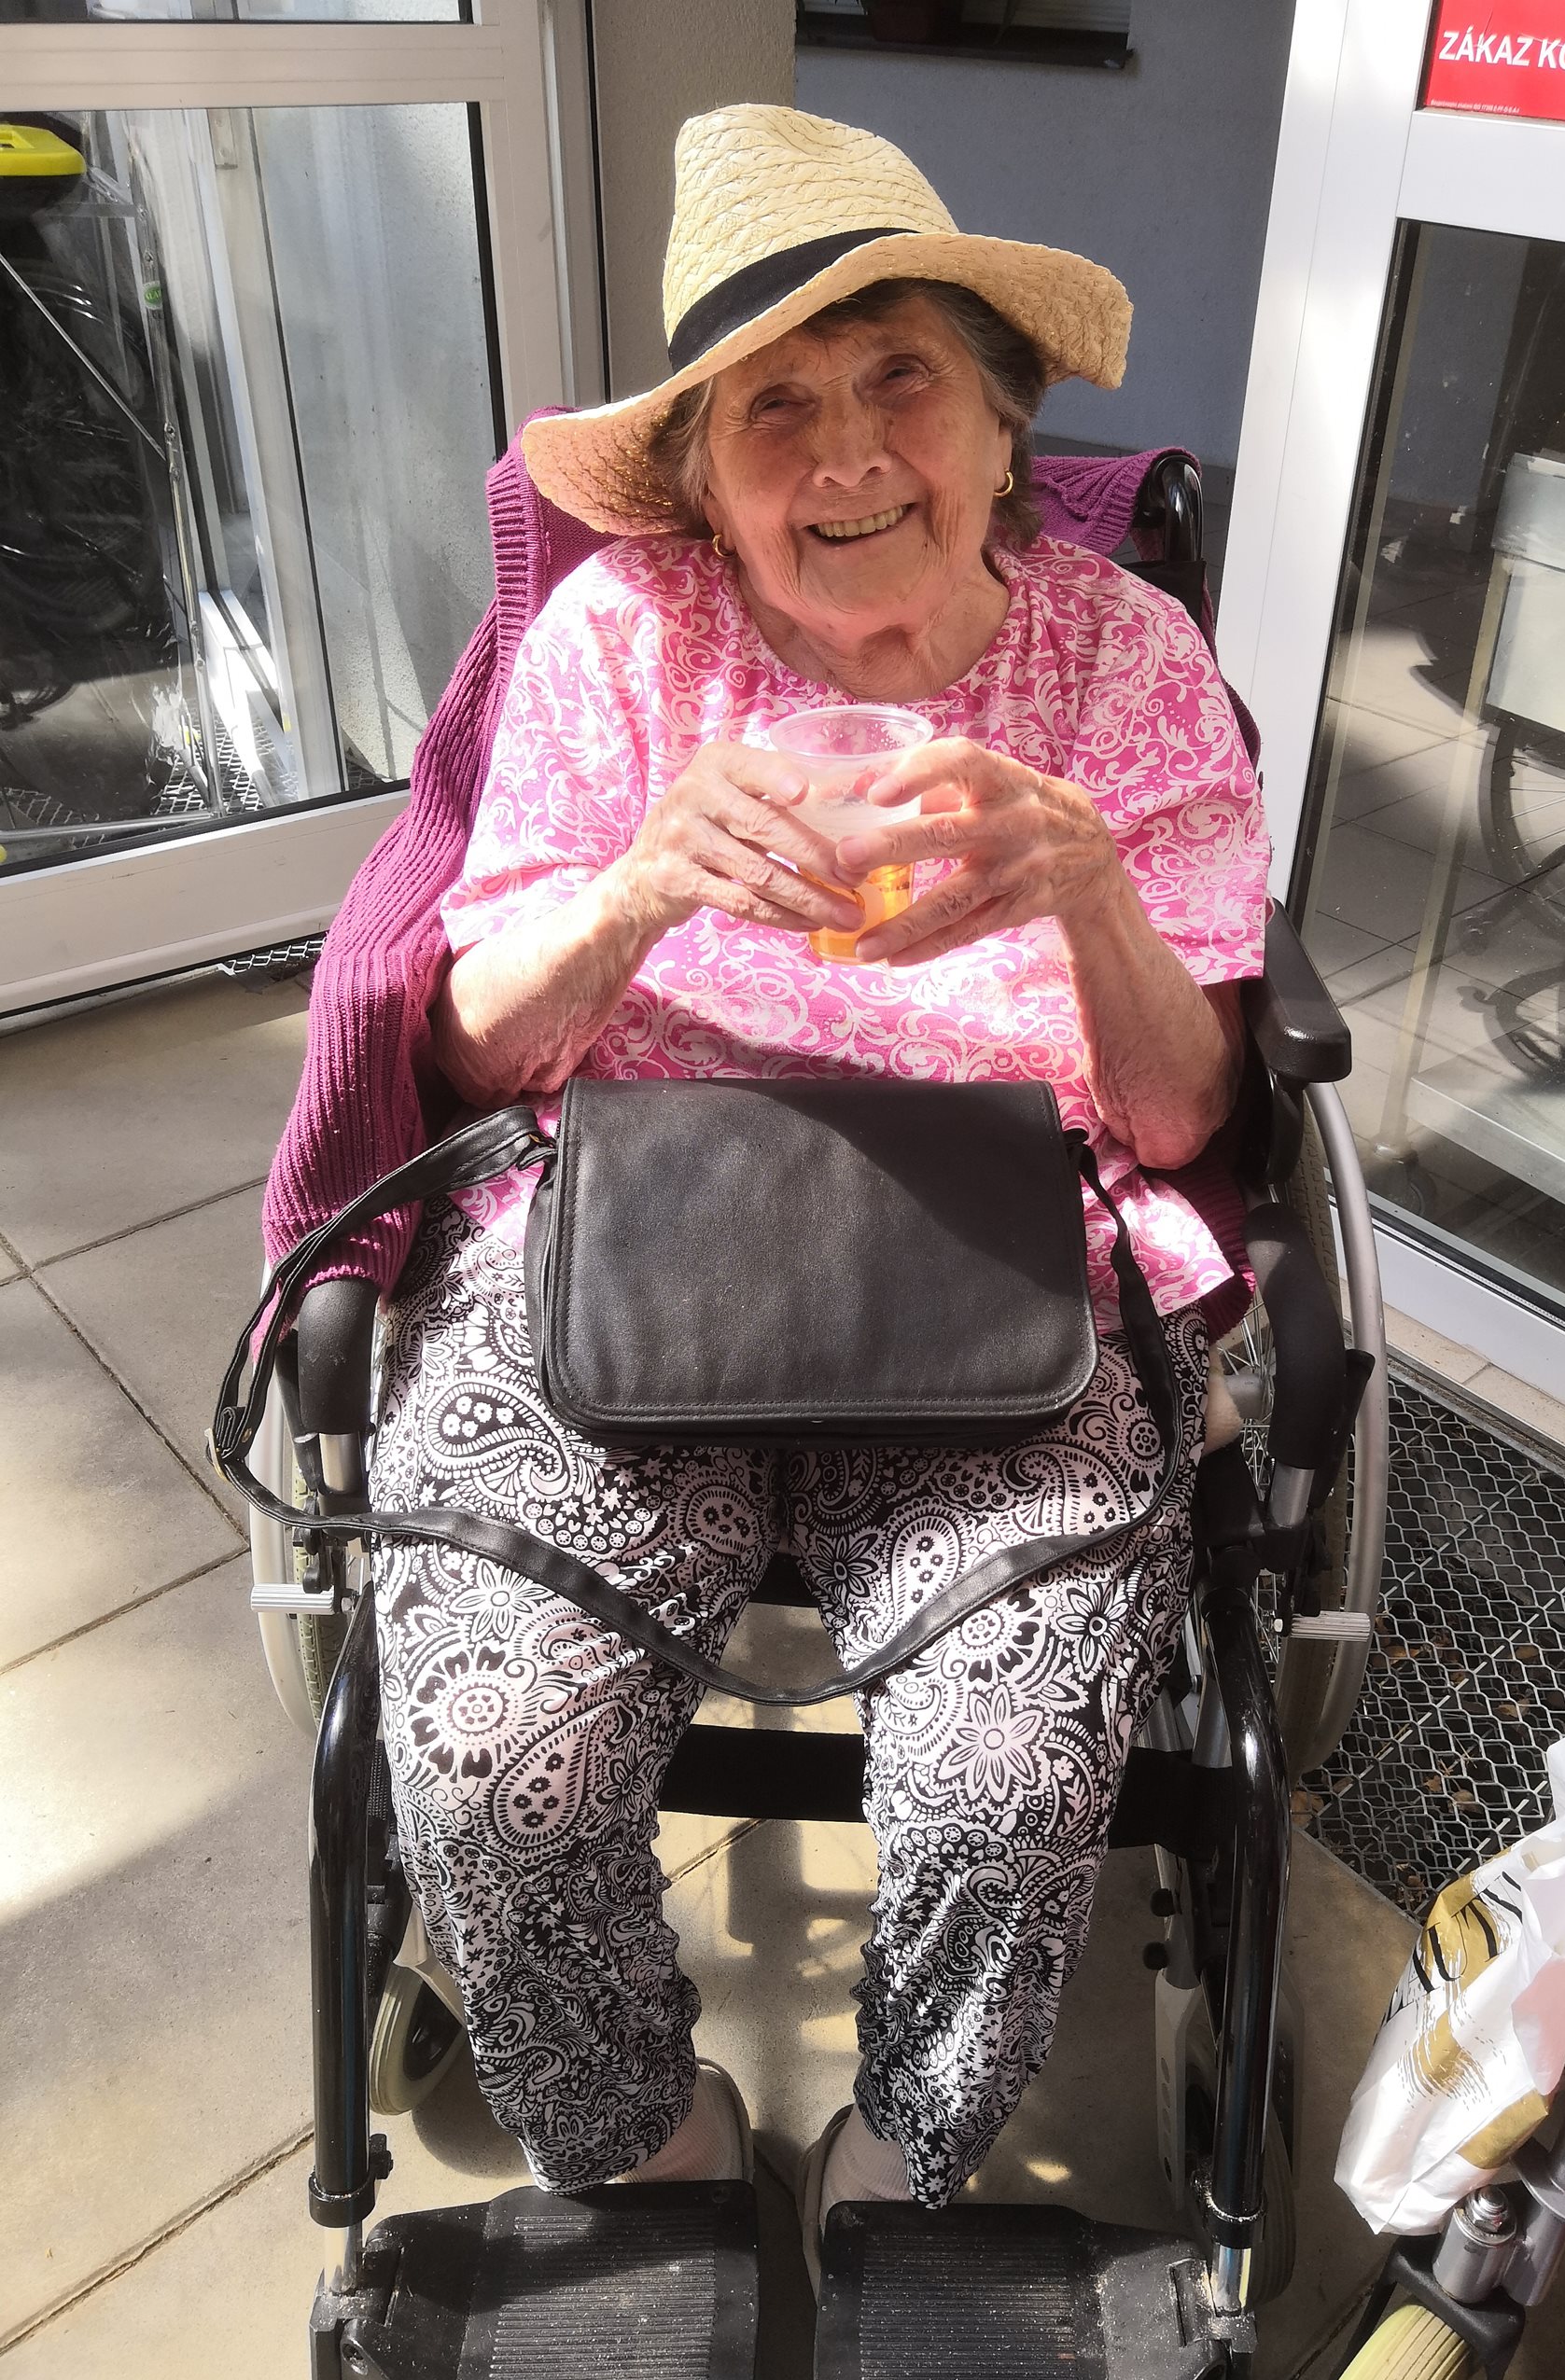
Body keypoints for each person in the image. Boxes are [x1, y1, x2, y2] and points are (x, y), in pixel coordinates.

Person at [364, 103, 1269, 2261]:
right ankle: (642, 2143)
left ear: (1000, 418)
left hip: (1003, 1269)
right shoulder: (618, 640)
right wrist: (637, 889)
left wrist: (1086, 891)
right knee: (489, 1745)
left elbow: (1179, 1118)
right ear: (700, 475)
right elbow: (474, 1055)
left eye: (901, 378)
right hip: (626, 1245)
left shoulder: (1127, 665)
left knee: (1006, 1771)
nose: (850, 452)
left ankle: (907, 2161)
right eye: (776, 405)